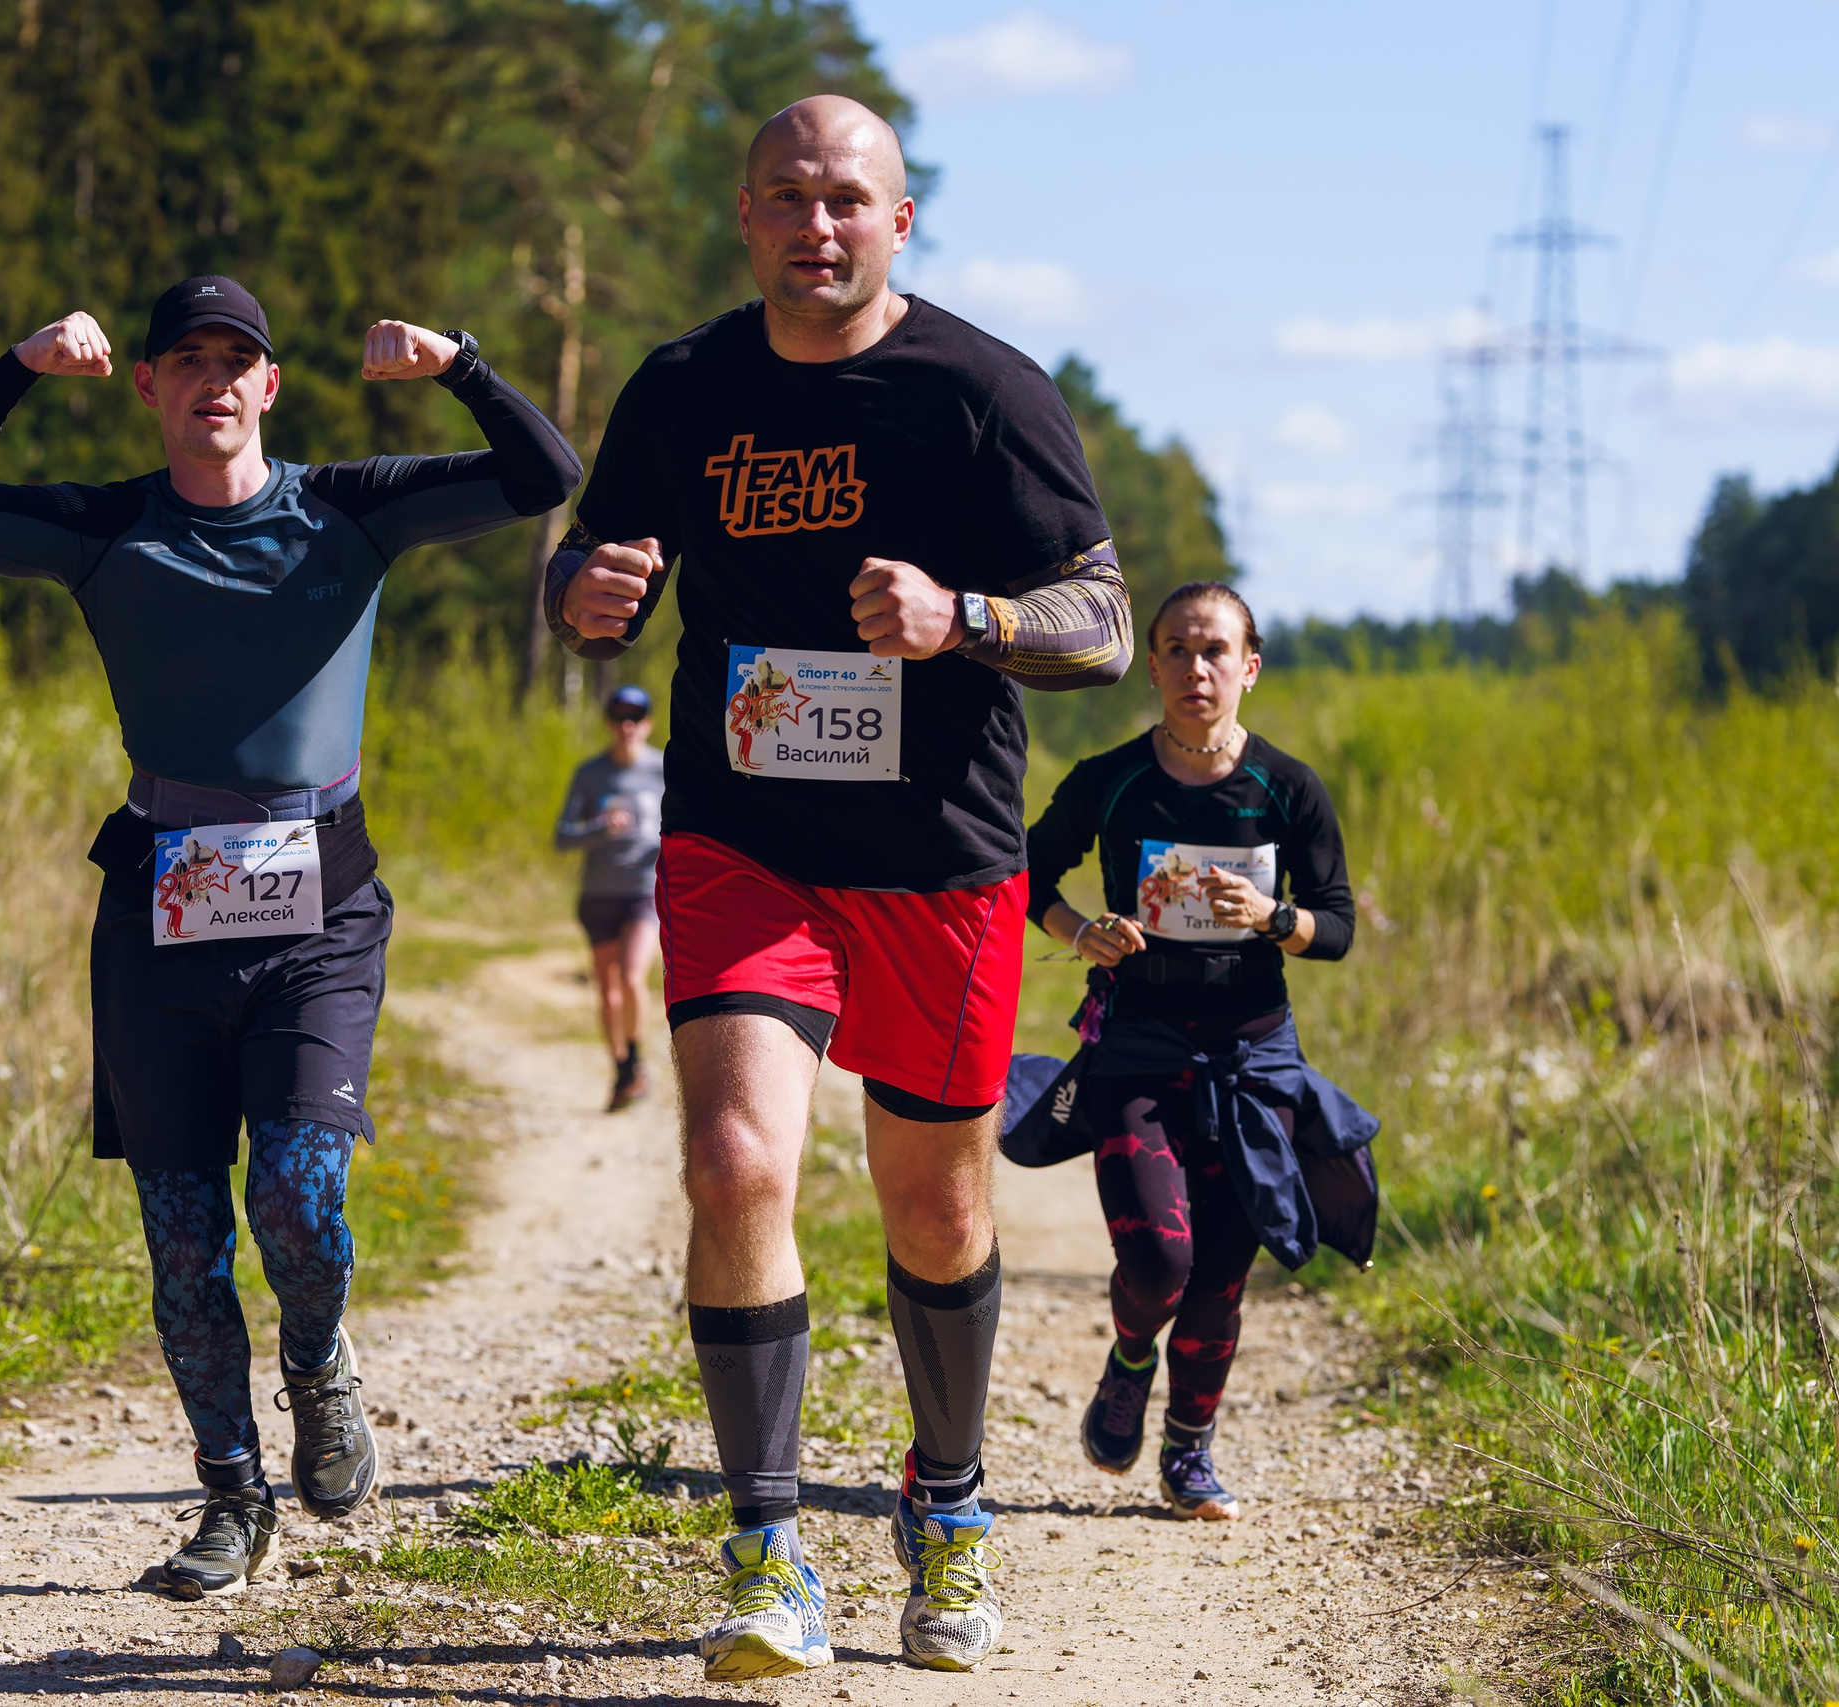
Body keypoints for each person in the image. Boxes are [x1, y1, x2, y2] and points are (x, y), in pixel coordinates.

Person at [545, 96, 1133, 1678]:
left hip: (938, 853)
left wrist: (965, 618)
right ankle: (769, 1545)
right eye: (787, 199)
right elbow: (591, 569)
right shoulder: (682, 386)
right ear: (744, 219)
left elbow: (1105, 626)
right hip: (744, 834)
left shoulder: (983, 391)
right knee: (737, 1162)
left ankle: (946, 1502)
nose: (818, 226)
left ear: (900, 220)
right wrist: (580, 593)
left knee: (937, 1204)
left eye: (847, 200)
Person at [0, 277, 578, 1598]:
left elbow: (541, 474)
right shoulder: (110, 526)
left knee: (298, 1194)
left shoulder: (348, 506)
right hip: (161, 908)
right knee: (181, 1226)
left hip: (321, 905)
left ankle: (319, 1362)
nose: (213, 379)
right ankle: (229, 1493)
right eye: (186, 360)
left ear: (270, 387)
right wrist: (16, 368)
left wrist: (462, 363)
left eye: (238, 360)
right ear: (149, 387)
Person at [1003, 580, 1377, 1523]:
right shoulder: (1112, 777)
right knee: (1163, 1262)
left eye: (1215, 650)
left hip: (1254, 1062)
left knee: (1218, 1277)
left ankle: (1189, 1451)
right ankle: (1132, 1357)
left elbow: (1337, 926)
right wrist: (1081, 929)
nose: (1195, 667)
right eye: (1176, 648)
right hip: (1139, 1049)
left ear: (1249, 667)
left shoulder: (1289, 789)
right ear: (1154, 663)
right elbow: (1024, 872)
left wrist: (1275, 917)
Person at [551, 684, 666, 1110]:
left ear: (649, 723)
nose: (627, 726)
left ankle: (635, 1061)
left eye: (636, 718)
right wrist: (600, 826)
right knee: (608, 990)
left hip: (643, 891)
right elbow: (562, 837)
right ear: (609, 723)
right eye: (619, 717)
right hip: (598, 895)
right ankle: (620, 1069)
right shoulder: (590, 773)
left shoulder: (664, 769)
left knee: (633, 976)